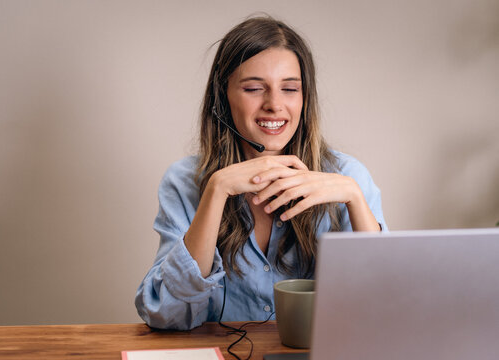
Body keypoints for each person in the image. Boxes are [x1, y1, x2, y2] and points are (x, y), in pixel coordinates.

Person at [135, 16, 387, 330]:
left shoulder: (348, 177)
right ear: (223, 95)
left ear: (304, 98)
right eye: (255, 88)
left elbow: (387, 305)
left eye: (290, 89)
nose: (274, 104)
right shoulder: (185, 182)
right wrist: (216, 190)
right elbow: (166, 313)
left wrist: (353, 197)